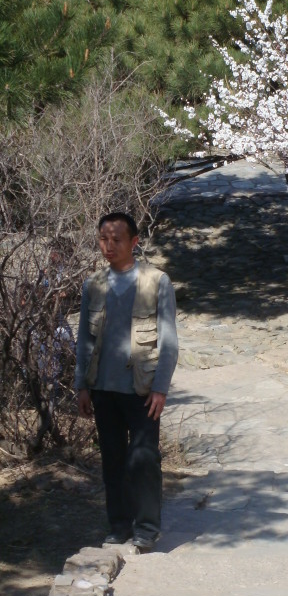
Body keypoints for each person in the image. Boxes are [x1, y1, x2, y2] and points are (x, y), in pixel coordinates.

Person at [75, 212, 178, 552]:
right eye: (104, 239)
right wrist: (82, 385)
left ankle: (147, 529)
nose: (109, 246)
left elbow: (169, 341)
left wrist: (161, 387)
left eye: (117, 239)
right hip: (103, 389)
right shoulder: (94, 284)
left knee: (144, 459)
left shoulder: (156, 282)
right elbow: (83, 341)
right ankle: (118, 526)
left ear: (134, 242)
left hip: (143, 389)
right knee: (113, 460)